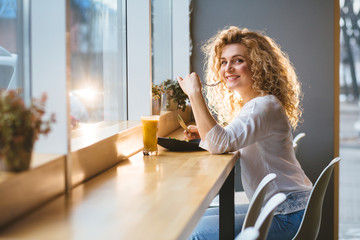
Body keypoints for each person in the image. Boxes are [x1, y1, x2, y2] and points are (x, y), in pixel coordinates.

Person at [177, 26, 312, 240]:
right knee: (192, 221)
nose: (228, 68)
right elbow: (226, 138)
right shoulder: (259, 104)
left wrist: (194, 93)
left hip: (286, 215)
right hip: (284, 207)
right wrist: (204, 134)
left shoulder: (262, 106)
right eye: (223, 61)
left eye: (237, 60)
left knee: (195, 233)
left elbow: (219, 143)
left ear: (257, 65)